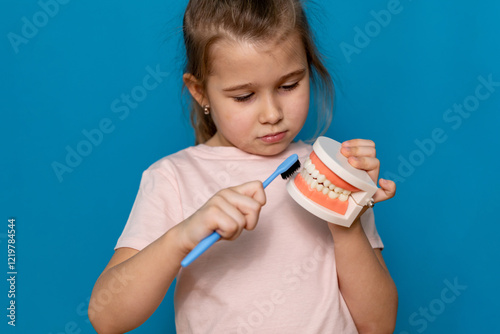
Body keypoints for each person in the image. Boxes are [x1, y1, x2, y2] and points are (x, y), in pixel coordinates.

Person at [89, 0, 398, 333]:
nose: (271, 114)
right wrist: (181, 236)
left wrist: (343, 213)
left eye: (289, 85)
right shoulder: (173, 178)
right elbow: (107, 318)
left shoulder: (330, 173)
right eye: (244, 96)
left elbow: (378, 325)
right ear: (200, 92)